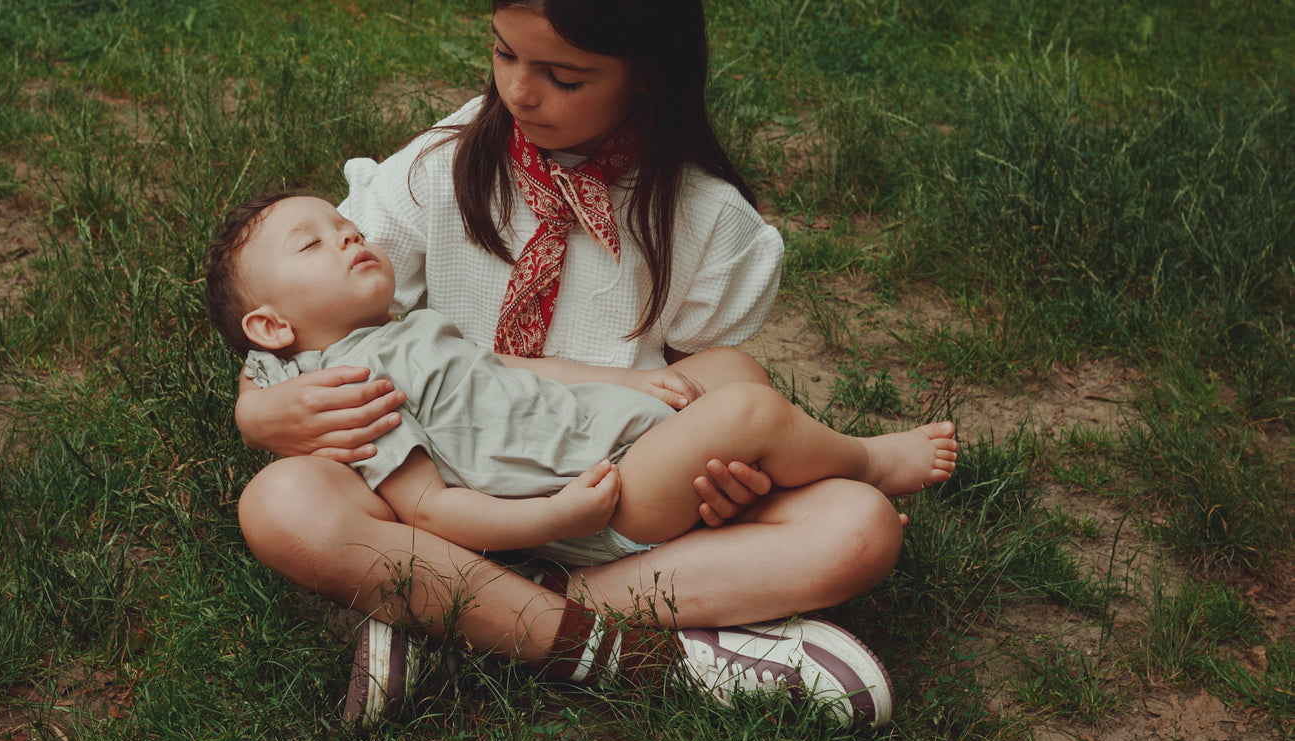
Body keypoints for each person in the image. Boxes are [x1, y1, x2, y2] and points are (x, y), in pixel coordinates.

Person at [231, 0, 925, 726]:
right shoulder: (437, 170)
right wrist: (261, 415)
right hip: (430, 474)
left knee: (859, 526)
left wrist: (729, 476)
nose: (519, 92)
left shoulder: (707, 225)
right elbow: (294, 317)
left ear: (648, 73)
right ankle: (616, 642)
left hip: (604, 480)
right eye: (502, 54)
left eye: (562, 76)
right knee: (281, 501)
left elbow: (693, 392)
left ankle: (462, 611)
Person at [212, 193, 957, 567]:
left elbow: (513, 366)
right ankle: (868, 462)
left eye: (346, 225)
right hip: (593, 495)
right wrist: (555, 517)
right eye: (313, 242)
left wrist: (622, 382)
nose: (347, 235)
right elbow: (431, 511)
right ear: (273, 327)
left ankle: (804, 505)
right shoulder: (345, 395)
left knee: (728, 370)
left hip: (589, 426)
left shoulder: (402, 328)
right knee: (750, 413)